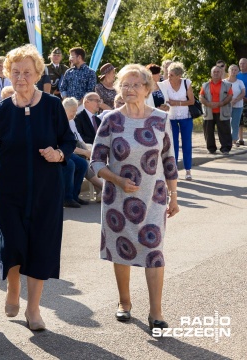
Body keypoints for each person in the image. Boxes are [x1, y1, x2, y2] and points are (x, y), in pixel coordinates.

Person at [0, 44, 76, 331]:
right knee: (13, 242)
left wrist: (59, 154)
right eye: (15, 72)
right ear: (8, 74)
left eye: (26, 72)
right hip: (8, 190)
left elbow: (68, 141)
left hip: (46, 189)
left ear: (37, 74)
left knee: (41, 245)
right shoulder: (1, 110)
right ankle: (13, 288)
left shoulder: (51, 106)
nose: (20, 77)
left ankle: (33, 309)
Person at [90, 64, 179, 331]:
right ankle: (124, 302)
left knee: (154, 251)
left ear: (147, 88)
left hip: (154, 196)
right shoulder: (111, 120)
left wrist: (174, 197)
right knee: (121, 249)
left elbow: (169, 161)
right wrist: (116, 179)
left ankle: (156, 312)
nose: (129, 89)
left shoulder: (161, 120)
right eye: (124, 85)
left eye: (135, 85)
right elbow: (95, 161)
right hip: (118, 198)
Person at [157, 62, 195, 180]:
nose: (169, 77)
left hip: (186, 116)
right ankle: (174, 170)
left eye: (172, 75)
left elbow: (192, 101)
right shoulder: (164, 84)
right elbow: (161, 99)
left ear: (179, 76)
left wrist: (176, 103)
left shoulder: (186, 83)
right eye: (168, 74)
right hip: (171, 118)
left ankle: (188, 170)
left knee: (187, 143)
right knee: (172, 145)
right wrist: (166, 104)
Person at [62, 97, 101, 205]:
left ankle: (75, 195)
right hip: (59, 151)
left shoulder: (71, 121)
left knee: (82, 164)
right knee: (70, 164)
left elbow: (77, 138)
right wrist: (85, 152)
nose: (75, 114)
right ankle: (67, 197)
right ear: (65, 109)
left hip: (70, 149)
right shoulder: (59, 121)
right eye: (73, 111)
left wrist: (86, 150)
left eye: (75, 111)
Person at [199, 66, 233, 154]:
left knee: (225, 131)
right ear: (211, 73)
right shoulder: (205, 85)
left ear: (221, 73)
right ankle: (211, 148)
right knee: (208, 132)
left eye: (218, 72)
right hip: (209, 112)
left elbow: (230, 96)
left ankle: (225, 148)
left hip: (222, 112)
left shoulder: (227, 85)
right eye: (214, 72)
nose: (216, 73)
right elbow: (201, 97)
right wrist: (208, 103)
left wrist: (221, 103)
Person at [226, 65, 245, 147]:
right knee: (226, 122)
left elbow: (243, 93)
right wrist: (230, 101)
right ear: (229, 71)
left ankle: (234, 140)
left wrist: (235, 100)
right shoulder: (224, 82)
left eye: (235, 70)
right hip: (226, 105)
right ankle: (226, 140)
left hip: (238, 105)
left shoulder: (240, 82)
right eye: (232, 70)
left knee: (235, 123)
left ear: (238, 72)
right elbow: (222, 93)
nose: (233, 71)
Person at [237, 58, 247, 146]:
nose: (242, 65)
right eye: (240, 64)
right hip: (239, 100)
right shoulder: (236, 75)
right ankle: (240, 139)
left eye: (244, 63)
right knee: (239, 119)